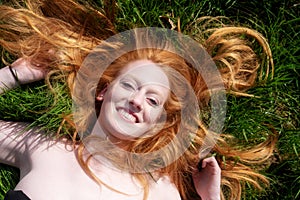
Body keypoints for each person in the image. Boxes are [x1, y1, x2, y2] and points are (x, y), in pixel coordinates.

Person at [0, 0, 276, 199]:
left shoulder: (161, 191)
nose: (137, 100)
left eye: (153, 100)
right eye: (130, 85)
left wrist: (210, 198)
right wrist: (14, 74)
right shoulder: (43, 147)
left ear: (157, 123)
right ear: (102, 91)